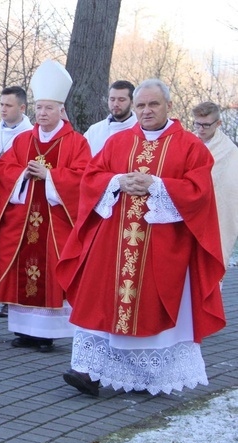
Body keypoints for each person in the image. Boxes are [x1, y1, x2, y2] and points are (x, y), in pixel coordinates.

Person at [57, 79, 225, 396]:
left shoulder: (190, 146)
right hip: (113, 245)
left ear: (169, 107)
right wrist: (117, 181)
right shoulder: (119, 142)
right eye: (141, 105)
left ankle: (148, 376)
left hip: (163, 247)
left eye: (154, 104)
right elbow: (91, 178)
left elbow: (199, 193)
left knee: (150, 308)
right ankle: (88, 370)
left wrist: (158, 185)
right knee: (99, 300)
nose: (146, 111)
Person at [0, 60, 91, 353]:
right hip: (23, 222)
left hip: (55, 224)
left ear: (61, 110)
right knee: (21, 267)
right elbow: (5, 168)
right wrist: (22, 174)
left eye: (49, 108)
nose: (42, 113)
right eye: (39, 107)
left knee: (51, 269)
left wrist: (51, 177)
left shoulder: (76, 143)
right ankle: (23, 330)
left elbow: (85, 178)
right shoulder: (23, 140)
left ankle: (47, 333)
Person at [0, 86, 34, 318]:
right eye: (1, 105)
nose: (3, 110)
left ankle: (8, 298)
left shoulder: (31, 135)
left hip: (13, 199)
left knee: (8, 249)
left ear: (22, 107)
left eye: (8, 105)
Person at [192, 101, 238, 270]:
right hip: (189, 212)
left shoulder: (229, 150)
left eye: (206, 125)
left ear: (218, 124)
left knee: (207, 268)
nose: (201, 129)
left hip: (215, 213)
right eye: (197, 123)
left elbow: (230, 188)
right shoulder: (188, 141)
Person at [83, 80, 138, 156]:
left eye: (121, 100)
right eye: (112, 99)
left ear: (132, 102)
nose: (115, 104)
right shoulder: (94, 131)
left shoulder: (141, 130)